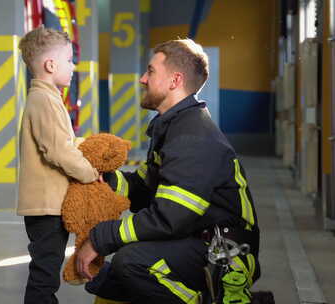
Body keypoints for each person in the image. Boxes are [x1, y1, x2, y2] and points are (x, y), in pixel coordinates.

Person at [76, 39, 261, 304]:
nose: (142, 79)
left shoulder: (194, 139)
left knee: (132, 263)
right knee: (110, 280)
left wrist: (100, 239)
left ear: (175, 80)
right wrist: (102, 177)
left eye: (150, 71)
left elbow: (169, 218)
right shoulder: (174, 129)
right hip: (196, 239)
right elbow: (140, 189)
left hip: (225, 253)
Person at [17, 26, 101, 304]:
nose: (73, 65)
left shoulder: (49, 98)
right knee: (45, 273)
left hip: (51, 204)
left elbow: (63, 142)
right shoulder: (43, 100)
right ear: (50, 65)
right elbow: (58, 150)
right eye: (69, 60)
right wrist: (90, 173)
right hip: (46, 208)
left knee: (46, 269)